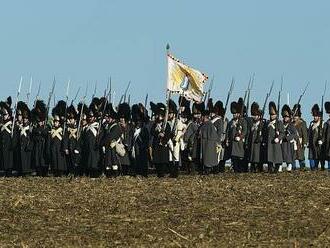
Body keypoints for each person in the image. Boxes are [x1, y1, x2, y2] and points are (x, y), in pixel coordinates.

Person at [226, 98, 247, 173]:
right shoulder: (231, 122)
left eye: (236, 113)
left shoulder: (243, 121)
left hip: (240, 144)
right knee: (233, 158)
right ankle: (235, 170)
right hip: (232, 143)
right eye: (233, 114)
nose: (234, 115)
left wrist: (240, 137)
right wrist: (227, 140)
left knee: (239, 159)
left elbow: (245, 131)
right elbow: (228, 131)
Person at [151, 103, 171, 177]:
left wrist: (164, 136)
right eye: (159, 115)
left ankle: (162, 173)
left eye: (161, 115)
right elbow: (152, 132)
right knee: (157, 160)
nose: (159, 117)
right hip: (156, 143)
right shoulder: (155, 124)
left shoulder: (166, 124)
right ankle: (159, 173)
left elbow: (168, 133)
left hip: (163, 144)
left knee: (163, 160)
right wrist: (157, 133)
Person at [48, 101, 67, 176]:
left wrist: (64, 148)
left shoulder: (62, 130)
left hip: (60, 149)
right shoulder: (52, 130)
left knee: (60, 162)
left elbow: (64, 140)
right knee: (54, 162)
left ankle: (60, 172)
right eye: (54, 121)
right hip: (53, 148)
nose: (55, 122)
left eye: (56, 121)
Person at [264, 101, 284, 173]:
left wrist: (278, 138)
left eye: (273, 115)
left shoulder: (279, 123)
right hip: (269, 142)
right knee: (269, 157)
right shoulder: (267, 122)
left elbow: (282, 133)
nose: (272, 116)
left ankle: (276, 169)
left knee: (277, 156)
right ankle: (270, 169)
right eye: (271, 115)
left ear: (276, 115)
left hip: (276, 142)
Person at [131, 104, 150, 176]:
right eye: (137, 121)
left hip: (142, 147)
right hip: (136, 147)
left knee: (143, 159)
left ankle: (143, 172)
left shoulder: (144, 129)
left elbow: (146, 139)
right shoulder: (133, 129)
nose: (138, 123)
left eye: (139, 121)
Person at [31, 100, 49, 176]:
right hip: (38, 145)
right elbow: (33, 136)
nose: (40, 122)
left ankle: (44, 172)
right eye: (39, 121)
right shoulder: (35, 128)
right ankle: (38, 172)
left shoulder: (47, 127)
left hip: (44, 145)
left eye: (41, 121)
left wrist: (42, 133)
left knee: (43, 160)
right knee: (37, 159)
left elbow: (47, 135)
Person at [246, 102, 264, 172]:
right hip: (252, 142)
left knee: (258, 156)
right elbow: (248, 133)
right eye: (254, 115)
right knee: (252, 156)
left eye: (256, 115)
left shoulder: (262, 123)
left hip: (259, 143)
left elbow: (264, 133)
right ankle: (253, 167)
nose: (254, 117)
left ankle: (259, 168)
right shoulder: (251, 123)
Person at [17, 102, 33, 176]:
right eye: (24, 118)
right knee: (21, 159)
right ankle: (21, 171)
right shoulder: (21, 127)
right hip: (21, 145)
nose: (24, 120)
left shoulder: (29, 127)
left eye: (26, 118)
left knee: (27, 160)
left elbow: (31, 137)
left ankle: (27, 171)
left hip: (27, 145)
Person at [280, 104, 297, 172]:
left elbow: (294, 134)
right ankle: (280, 165)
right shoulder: (281, 124)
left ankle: (289, 165)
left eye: (286, 117)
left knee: (289, 155)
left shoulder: (291, 125)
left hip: (288, 143)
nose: (285, 118)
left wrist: (288, 137)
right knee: (281, 155)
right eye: (284, 117)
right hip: (282, 143)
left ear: (289, 117)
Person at [117, 103, 132, 175]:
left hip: (127, 148)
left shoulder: (129, 127)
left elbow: (130, 137)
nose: (121, 119)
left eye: (123, 118)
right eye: (120, 118)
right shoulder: (117, 127)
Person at [308, 104, 325, 170]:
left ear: (319, 116)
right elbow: (309, 133)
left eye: (316, 116)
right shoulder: (311, 123)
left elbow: (324, 134)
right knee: (312, 157)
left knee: (320, 157)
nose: (315, 117)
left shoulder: (323, 123)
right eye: (314, 116)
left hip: (320, 144)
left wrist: (322, 140)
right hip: (312, 144)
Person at [0, 97, 14, 176]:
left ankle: (9, 172)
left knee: (9, 159)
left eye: (4, 114)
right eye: (3, 114)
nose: (3, 116)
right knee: (4, 158)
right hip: (3, 142)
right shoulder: (2, 122)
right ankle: (5, 171)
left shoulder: (11, 122)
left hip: (9, 143)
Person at [292, 104, 308, 170]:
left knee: (300, 155)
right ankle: (293, 167)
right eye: (294, 116)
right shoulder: (291, 123)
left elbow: (304, 133)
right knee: (293, 155)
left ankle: (302, 166)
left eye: (296, 116)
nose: (295, 117)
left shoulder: (302, 123)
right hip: (293, 141)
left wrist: (304, 143)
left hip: (300, 141)